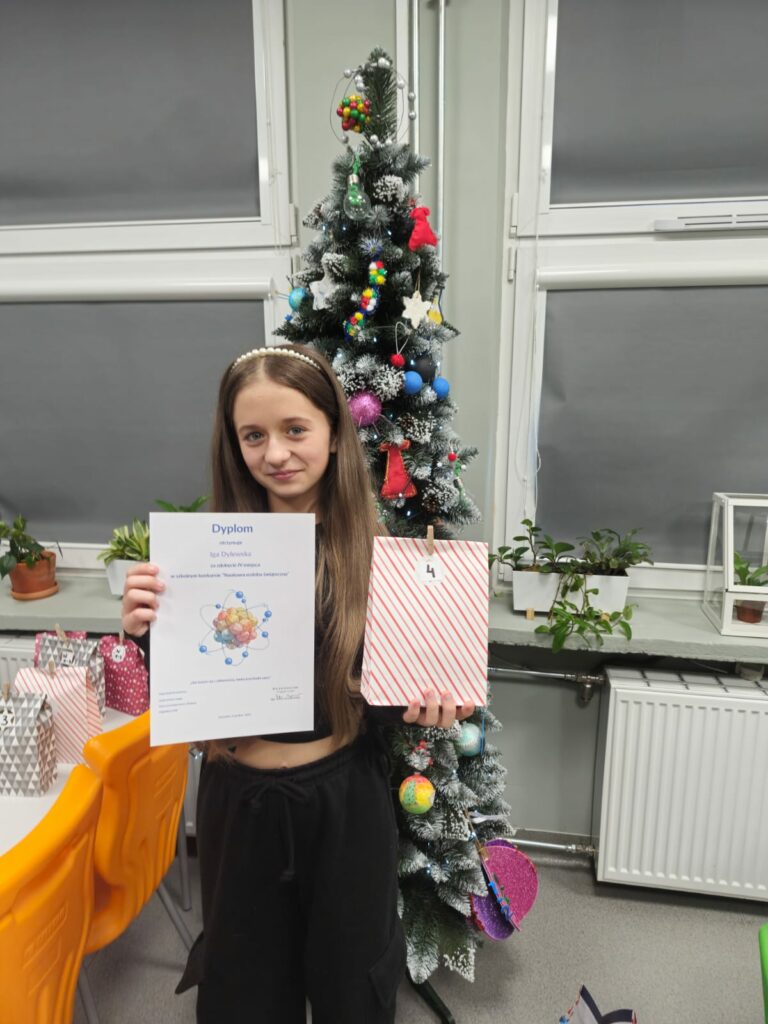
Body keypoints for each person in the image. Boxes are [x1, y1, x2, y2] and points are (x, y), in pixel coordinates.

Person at [121, 343, 475, 1023]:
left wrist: (429, 700)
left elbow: (386, 690)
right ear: (233, 445)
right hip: (239, 801)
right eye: (253, 435)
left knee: (353, 982)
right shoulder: (205, 556)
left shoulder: (380, 557)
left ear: (335, 434)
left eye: (295, 429)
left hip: (345, 801)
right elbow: (192, 689)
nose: (276, 453)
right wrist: (146, 629)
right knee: (242, 986)